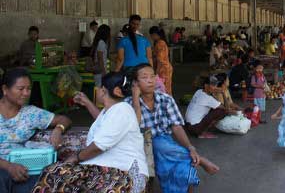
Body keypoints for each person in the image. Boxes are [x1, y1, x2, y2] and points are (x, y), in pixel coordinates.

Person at [35, 72, 149, 193]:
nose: (98, 90)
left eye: (100, 88)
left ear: (104, 91)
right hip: (103, 168)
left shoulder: (122, 109)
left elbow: (99, 146)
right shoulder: (111, 111)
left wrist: (75, 158)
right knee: (54, 174)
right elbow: (102, 122)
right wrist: (87, 102)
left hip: (121, 171)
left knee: (54, 174)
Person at [125, 64, 219, 193]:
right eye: (144, 77)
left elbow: (177, 127)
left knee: (184, 168)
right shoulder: (128, 104)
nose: (150, 80)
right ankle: (199, 159)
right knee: (156, 142)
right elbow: (134, 126)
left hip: (165, 144)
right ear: (135, 83)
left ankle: (190, 157)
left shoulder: (166, 99)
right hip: (140, 144)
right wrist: (135, 97)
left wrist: (190, 147)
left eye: (152, 76)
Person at [0, 68, 71, 193]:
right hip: (4, 168)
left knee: (36, 183)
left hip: (22, 167)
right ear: (5, 89)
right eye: (21, 89)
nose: (26, 93)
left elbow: (64, 119)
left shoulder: (31, 113)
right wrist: (8, 167)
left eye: (29, 89)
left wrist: (58, 129)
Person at [149, 26, 173, 95]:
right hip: (165, 68)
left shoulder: (160, 43)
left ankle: (167, 103)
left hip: (163, 69)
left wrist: (156, 72)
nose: (151, 37)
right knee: (165, 88)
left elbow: (160, 60)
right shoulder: (159, 43)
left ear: (155, 35)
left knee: (163, 89)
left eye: (151, 35)